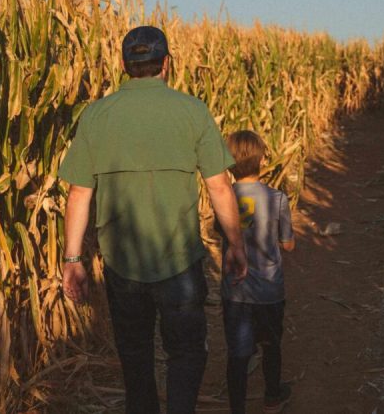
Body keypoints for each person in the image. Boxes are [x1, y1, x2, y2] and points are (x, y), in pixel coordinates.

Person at [57, 25, 249, 414]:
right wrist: (235, 245)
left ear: (125, 65)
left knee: (135, 353)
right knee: (187, 350)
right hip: (179, 263)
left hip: (122, 265)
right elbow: (221, 188)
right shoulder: (192, 110)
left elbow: (79, 193)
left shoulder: (97, 115)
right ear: (166, 64)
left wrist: (72, 260)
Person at [219, 130, 295, 414]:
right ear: (262, 159)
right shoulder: (277, 198)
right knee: (271, 344)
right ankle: (272, 398)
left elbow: (223, 234)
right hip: (270, 290)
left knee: (237, 354)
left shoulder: (223, 199)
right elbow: (287, 244)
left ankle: (236, 407)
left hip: (236, 291)